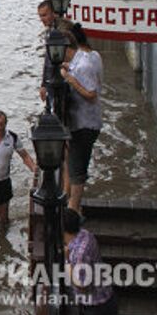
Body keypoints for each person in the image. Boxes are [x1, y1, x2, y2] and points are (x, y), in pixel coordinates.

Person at [60, 27, 103, 214]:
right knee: (73, 163)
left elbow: (91, 94)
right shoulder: (78, 62)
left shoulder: (84, 65)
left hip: (85, 124)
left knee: (77, 169)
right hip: (78, 122)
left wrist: (70, 80)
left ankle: (73, 210)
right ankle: (72, 203)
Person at [63, 208, 118, 315]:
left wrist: (67, 264)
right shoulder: (86, 234)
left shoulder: (79, 255)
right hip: (106, 294)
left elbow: (82, 286)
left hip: (96, 307)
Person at [38, 0, 74, 102]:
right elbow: (47, 60)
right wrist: (44, 85)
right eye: (40, 16)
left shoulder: (62, 30)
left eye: (44, 15)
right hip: (53, 81)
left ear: (53, 13)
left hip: (63, 82)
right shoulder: (50, 30)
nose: (42, 19)